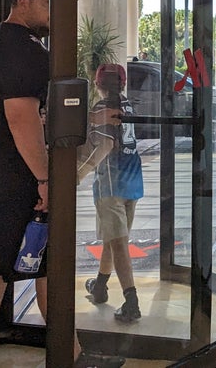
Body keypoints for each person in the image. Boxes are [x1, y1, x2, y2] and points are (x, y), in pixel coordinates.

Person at [0, 0, 122, 368]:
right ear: (24, 1)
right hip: (7, 181)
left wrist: (88, 116)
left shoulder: (12, 44)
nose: (54, 15)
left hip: (1, 176)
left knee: (48, 266)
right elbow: (21, 118)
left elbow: (38, 114)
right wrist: (46, 179)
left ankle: (73, 356)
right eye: (49, 4)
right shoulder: (19, 48)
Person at [79, 63, 143, 324]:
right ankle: (100, 286)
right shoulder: (127, 104)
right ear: (124, 84)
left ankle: (131, 300)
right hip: (132, 180)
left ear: (97, 84)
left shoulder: (101, 109)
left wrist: (80, 172)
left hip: (111, 183)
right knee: (114, 236)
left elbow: (105, 144)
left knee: (117, 242)